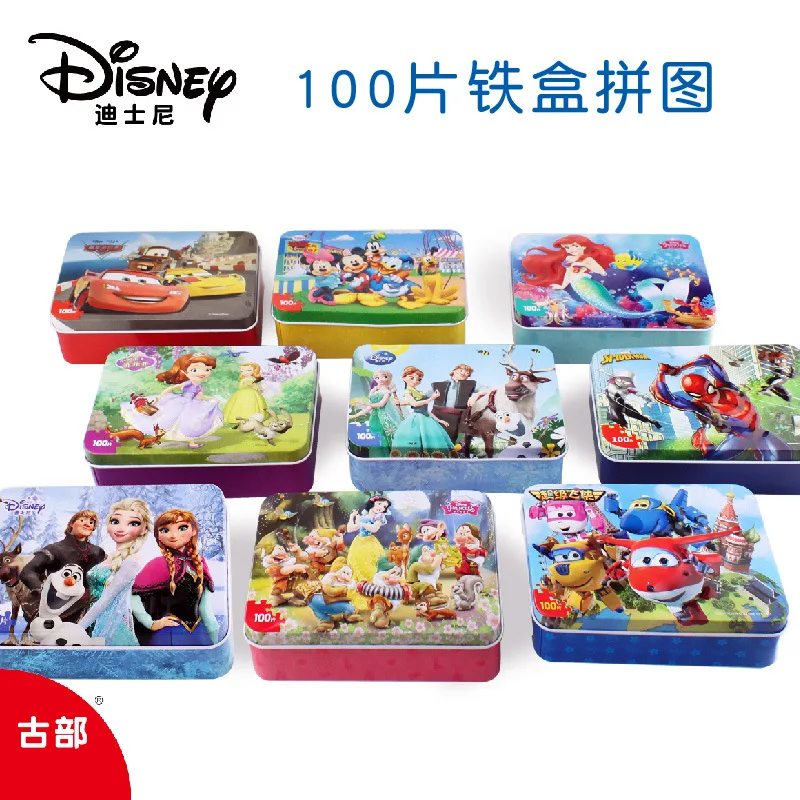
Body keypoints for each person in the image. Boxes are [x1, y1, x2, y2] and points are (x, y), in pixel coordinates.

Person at [131, 509, 219, 646]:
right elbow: (133, 595)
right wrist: (150, 623)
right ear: (158, 536)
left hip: (199, 632)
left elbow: (205, 608)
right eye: (165, 530)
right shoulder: (157, 564)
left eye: (182, 528)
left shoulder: (199, 563)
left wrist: (214, 635)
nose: (173, 535)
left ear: (194, 530)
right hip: (168, 635)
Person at [80, 498, 153, 646]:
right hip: (92, 621)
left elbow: (107, 599)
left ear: (144, 529)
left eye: (133, 523)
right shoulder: (109, 556)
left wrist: (78, 628)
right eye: (115, 521)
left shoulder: (131, 562)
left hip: (111, 626)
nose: (121, 528)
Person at [121, 352, 223, 450]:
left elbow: (200, 397)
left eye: (208, 370)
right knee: (163, 420)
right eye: (195, 370)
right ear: (185, 372)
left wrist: (213, 399)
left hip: (191, 404)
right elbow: (171, 388)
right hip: (180, 402)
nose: (202, 373)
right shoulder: (189, 383)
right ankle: (135, 428)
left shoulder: (199, 386)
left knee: (190, 423)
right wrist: (160, 397)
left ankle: (191, 443)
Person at [20, 509, 105, 623]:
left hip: (93, 611)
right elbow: (28, 572)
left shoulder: (98, 552)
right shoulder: (54, 549)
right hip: (60, 611)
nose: (87, 524)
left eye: (91, 522)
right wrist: (44, 592)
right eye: (82, 520)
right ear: (71, 524)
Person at [391, 366, 454, 456]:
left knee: (433, 438)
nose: (415, 381)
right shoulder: (407, 392)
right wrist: (431, 398)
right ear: (403, 378)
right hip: (416, 418)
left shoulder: (419, 392)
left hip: (426, 418)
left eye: (419, 379)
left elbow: (425, 409)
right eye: (411, 378)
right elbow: (414, 403)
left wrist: (439, 420)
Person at [349, 369, 402, 456]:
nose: (380, 379)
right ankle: (376, 456)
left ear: (388, 378)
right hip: (374, 417)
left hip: (384, 417)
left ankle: (387, 456)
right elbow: (369, 407)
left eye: (384, 377)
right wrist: (355, 415)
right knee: (376, 436)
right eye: (377, 377)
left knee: (384, 436)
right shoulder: (373, 391)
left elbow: (381, 404)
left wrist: (364, 403)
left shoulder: (387, 392)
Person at [431, 363, 477, 445]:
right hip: (438, 415)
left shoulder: (471, 385)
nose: (463, 373)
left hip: (456, 418)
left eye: (467, 373)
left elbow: (488, 389)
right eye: (461, 370)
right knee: (433, 440)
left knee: (450, 442)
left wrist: (476, 395)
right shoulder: (439, 385)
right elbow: (423, 397)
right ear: (454, 371)